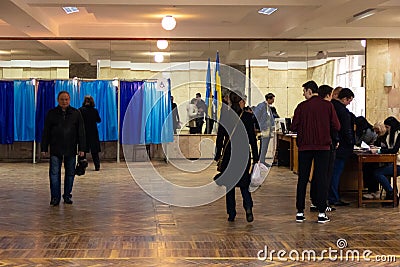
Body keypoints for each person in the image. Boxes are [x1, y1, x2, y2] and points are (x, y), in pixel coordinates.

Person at [291, 81, 340, 224]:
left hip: (305, 147)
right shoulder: (328, 106)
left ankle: (300, 212)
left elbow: (293, 127)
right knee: (322, 178)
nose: (303, 94)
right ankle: (321, 212)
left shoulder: (301, 107)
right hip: (323, 148)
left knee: (303, 179)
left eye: (304, 91)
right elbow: (336, 125)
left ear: (310, 91)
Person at [214, 90, 259, 222]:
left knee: (230, 185)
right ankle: (248, 207)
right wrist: (256, 156)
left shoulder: (225, 116)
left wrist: (218, 154)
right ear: (240, 102)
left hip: (229, 155)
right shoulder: (247, 117)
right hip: (243, 154)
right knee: (245, 183)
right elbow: (252, 138)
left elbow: (220, 137)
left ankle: (231, 213)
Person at [41, 91, 86, 206]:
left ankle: (67, 196)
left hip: (71, 149)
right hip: (55, 148)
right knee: (54, 174)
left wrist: (82, 148)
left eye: (66, 99)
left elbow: (81, 132)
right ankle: (55, 197)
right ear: (58, 100)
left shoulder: (76, 113)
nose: (64, 101)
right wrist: (44, 147)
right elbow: (46, 131)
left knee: (70, 174)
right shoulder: (51, 113)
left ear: (69, 100)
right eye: (62, 99)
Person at [310, 85, 338, 213]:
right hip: (326, 146)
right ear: (328, 94)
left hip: (313, 145)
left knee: (316, 174)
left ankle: (315, 201)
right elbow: (335, 126)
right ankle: (322, 204)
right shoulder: (328, 107)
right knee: (325, 175)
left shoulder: (311, 106)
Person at [328, 88, 355, 207]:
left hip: (330, 144)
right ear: (344, 99)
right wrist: (351, 142)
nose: (349, 103)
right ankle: (334, 197)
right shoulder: (342, 111)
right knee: (336, 173)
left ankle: (330, 195)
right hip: (342, 147)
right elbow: (346, 129)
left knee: (330, 172)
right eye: (349, 101)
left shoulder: (330, 106)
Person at [373, 116, 400, 203]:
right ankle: (391, 193)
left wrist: (379, 150)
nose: (387, 129)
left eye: (387, 127)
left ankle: (391, 193)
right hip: (393, 162)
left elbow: (394, 150)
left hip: (398, 163)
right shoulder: (390, 135)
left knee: (378, 173)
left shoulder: (398, 134)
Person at [79, 95, 102, 171]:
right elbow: (98, 120)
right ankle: (97, 166)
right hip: (93, 133)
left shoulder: (80, 110)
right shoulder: (94, 111)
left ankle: (82, 167)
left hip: (84, 133)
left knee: (83, 151)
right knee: (94, 152)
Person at [253, 93, 275, 167]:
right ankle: (261, 161)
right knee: (263, 146)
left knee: (265, 146)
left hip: (268, 130)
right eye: (272, 99)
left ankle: (262, 160)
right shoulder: (261, 106)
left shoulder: (268, 107)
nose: (273, 101)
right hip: (263, 130)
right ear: (269, 99)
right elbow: (256, 116)